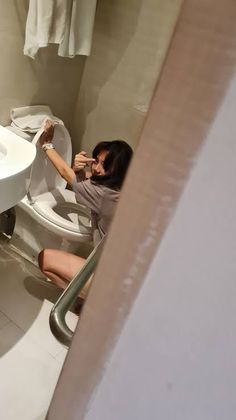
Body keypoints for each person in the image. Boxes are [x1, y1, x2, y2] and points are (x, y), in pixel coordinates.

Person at [38, 120, 133, 300]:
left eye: (104, 165)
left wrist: (46, 144)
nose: (96, 168)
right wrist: (79, 170)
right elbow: (87, 179)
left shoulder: (104, 195)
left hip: (109, 280)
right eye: (96, 161)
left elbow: (66, 174)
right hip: (127, 274)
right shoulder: (124, 187)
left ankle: (92, 302)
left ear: (118, 169)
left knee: (45, 259)